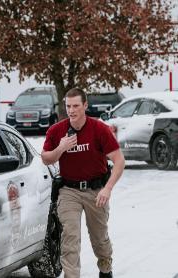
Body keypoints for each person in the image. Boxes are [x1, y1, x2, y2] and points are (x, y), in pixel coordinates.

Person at [41, 88, 125, 278]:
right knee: (70, 237)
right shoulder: (57, 131)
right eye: (68, 106)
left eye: (76, 106)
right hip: (69, 191)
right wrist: (61, 148)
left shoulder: (99, 129)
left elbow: (119, 161)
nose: (71, 110)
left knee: (99, 239)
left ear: (85, 105)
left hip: (96, 191)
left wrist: (108, 189)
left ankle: (105, 269)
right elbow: (46, 158)